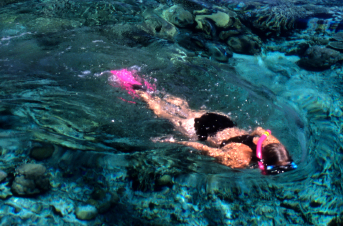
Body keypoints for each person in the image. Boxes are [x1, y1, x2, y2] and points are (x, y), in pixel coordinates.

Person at [109, 68, 297, 175]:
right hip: (199, 130)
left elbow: (257, 129)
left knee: (183, 107)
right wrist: (175, 141)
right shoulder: (240, 160)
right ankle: (134, 87)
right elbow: (205, 149)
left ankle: (152, 89)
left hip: (222, 120)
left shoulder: (271, 143)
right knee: (160, 113)